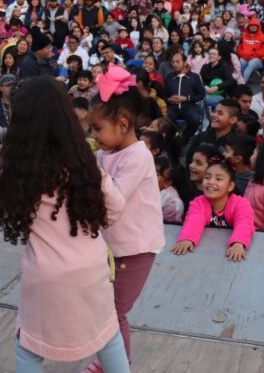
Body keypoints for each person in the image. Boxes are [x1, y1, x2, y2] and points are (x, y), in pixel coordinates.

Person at [0, 77, 129, 372]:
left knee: (29, 349)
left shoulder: (16, 172)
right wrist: (91, 225)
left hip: (46, 277)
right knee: (108, 335)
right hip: (92, 269)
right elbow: (116, 207)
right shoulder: (86, 163)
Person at [87, 66, 164, 367]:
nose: (93, 135)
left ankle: (118, 364)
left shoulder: (138, 156)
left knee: (114, 313)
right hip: (112, 248)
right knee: (104, 311)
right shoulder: (105, 154)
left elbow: (112, 199)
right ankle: (108, 361)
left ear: (121, 124)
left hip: (135, 250)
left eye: (97, 128)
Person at [172, 156, 254, 262]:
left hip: (226, 258)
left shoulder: (241, 204)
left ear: (230, 186)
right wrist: (187, 238)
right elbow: (194, 219)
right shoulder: (198, 202)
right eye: (207, 177)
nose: (211, 182)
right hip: (204, 255)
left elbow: (244, 222)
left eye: (218, 179)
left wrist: (238, 243)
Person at [164, 51, 205, 139]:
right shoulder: (169, 77)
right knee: (164, 121)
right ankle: (172, 139)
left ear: (185, 62)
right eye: (173, 62)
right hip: (172, 107)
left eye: (178, 61)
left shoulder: (194, 77)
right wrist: (168, 99)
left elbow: (201, 95)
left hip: (189, 106)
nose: (175, 64)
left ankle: (184, 139)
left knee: (196, 120)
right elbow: (164, 95)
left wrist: (186, 98)